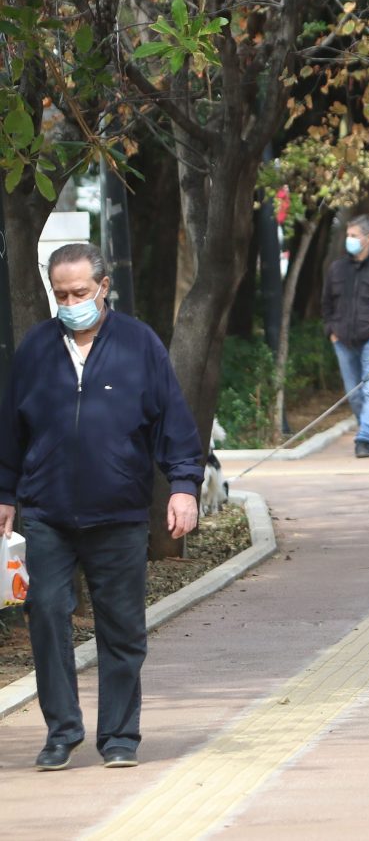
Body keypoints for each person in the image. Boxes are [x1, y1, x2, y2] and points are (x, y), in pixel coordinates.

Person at [0, 243, 203, 770]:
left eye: (80, 293)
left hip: (119, 513)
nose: (70, 303)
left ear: (104, 287)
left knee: (121, 626)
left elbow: (173, 424)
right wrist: (5, 494)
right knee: (44, 611)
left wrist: (184, 486)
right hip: (46, 511)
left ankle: (119, 736)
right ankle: (61, 731)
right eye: (61, 294)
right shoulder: (36, 349)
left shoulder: (140, 345)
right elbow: (10, 431)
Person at [322, 214, 369, 458]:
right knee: (353, 393)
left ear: (368, 238)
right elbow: (326, 304)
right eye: (348, 235)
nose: (349, 240)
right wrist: (331, 331)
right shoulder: (337, 268)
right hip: (342, 340)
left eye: (354, 235)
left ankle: (364, 438)